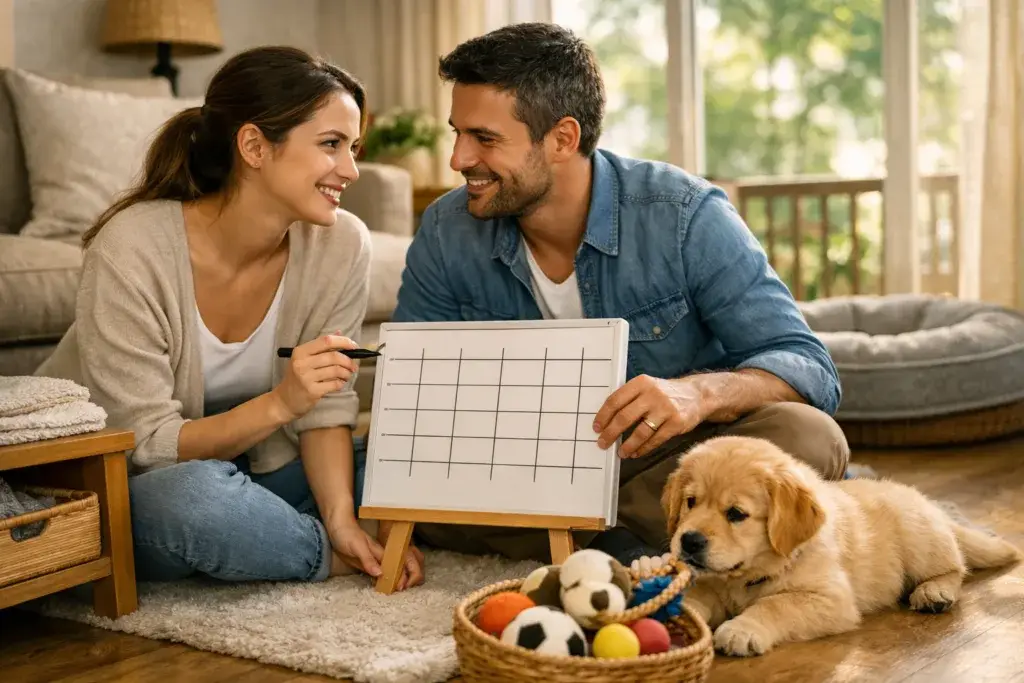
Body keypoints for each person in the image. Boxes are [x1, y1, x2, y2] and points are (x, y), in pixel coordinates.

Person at [382, 23, 849, 565]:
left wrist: (696, 395)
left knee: (810, 435)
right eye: (457, 133)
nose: (458, 159)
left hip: (662, 463)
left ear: (562, 139)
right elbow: (408, 400)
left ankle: (576, 533)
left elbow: (809, 368)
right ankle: (620, 540)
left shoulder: (684, 215)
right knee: (374, 474)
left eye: (484, 139)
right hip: (515, 466)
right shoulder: (445, 229)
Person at [36, 46, 424, 591]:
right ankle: (316, 555)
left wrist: (340, 517)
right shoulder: (133, 247)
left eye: (353, 147)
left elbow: (327, 408)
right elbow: (145, 444)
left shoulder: (340, 243)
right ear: (254, 146)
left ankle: (274, 538)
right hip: (129, 483)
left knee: (399, 462)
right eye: (331, 145)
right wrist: (282, 403)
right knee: (195, 503)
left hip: (258, 468)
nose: (352, 170)